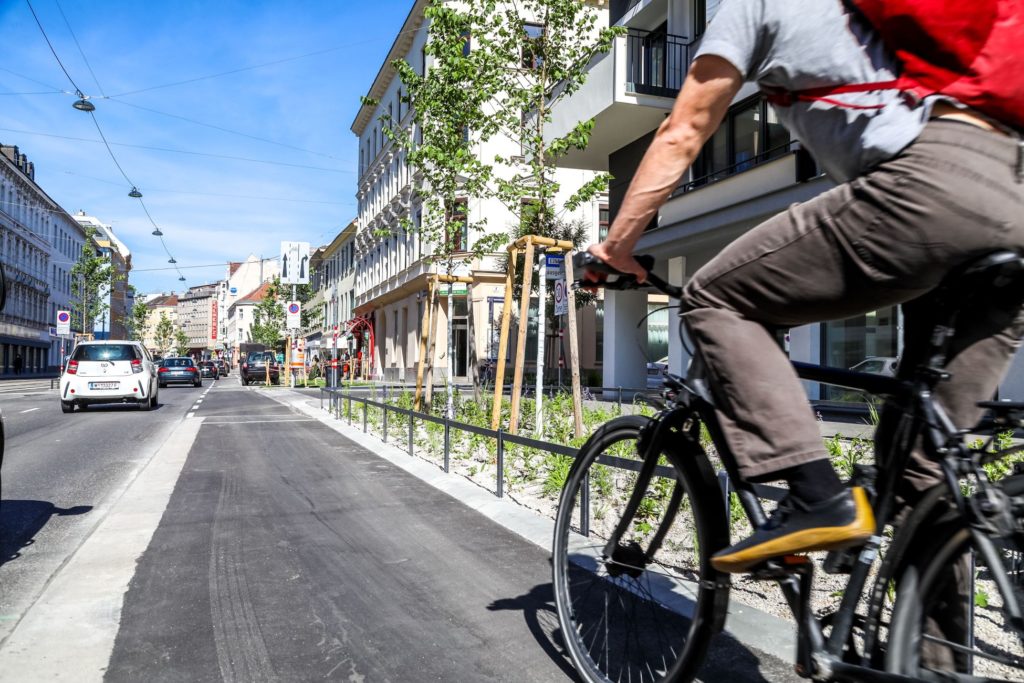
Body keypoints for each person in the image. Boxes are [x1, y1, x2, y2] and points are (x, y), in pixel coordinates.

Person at [588, 0, 1024, 573]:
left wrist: (617, 246)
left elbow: (686, 127)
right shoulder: (870, 21)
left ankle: (815, 496)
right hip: (1012, 197)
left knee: (714, 297)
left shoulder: (757, 5)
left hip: (927, 189)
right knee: (923, 473)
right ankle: (925, 661)